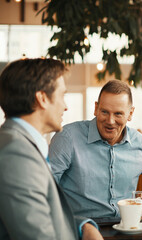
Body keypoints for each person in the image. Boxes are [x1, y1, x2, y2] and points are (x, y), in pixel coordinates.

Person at [0, 58, 103, 239]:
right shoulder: (16, 153)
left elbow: (42, 211)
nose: (65, 106)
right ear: (42, 99)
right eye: (62, 95)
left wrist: (81, 226)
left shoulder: (20, 145)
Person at [49, 80, 142, 218]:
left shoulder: (138, 141)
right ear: (96, 108)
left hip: (128, 227)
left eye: (118, 114)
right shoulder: (67, 137)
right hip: (80, 230)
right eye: (104, 112)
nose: (110, 121)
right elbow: (46, 186)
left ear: (130, 113)